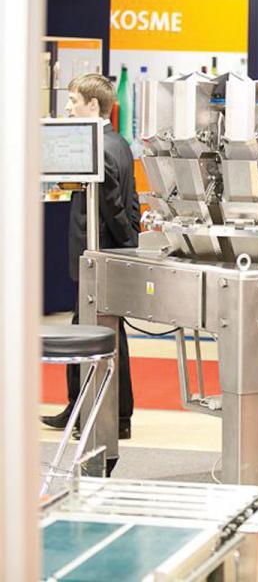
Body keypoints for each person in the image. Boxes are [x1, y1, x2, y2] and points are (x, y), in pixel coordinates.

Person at [41, 73, 139, 440]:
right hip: (100, 254)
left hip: (99, 255)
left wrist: (125, 246)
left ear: (93, 105)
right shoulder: (118, 142)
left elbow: (113, 207)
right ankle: (84, 407)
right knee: (92, 329)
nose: (68, 109)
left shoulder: (101, 148)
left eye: (73, 101)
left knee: (97, 334)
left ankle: (107, 414)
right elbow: (126, 202)